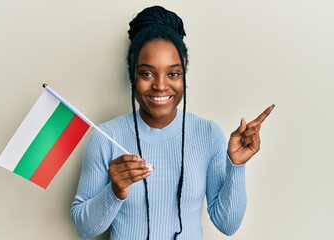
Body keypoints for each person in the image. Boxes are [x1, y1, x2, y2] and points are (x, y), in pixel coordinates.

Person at [70, 5, 274, 240]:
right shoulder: (106, 137)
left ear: (184, 73)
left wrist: (236, 166)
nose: (160, 85)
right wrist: (114, 192)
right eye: (147, 73)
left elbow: (227, 224)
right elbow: (83, 229)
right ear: (132, 76)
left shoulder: (208, 134)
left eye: (173, 73)